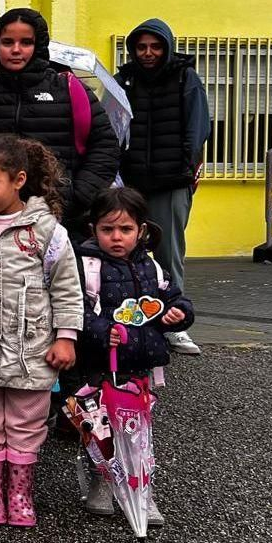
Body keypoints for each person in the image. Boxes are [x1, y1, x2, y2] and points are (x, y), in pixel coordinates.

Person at [0, 135, 83, 527]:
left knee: (26, 422)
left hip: (32, 350)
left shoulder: (46, 231)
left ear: (19, 179)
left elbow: (66, 287)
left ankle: (20, 492)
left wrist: (65, 336)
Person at [74, 187, 194, 525]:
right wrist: (100, 331)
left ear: (140, 230)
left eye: (125, 230)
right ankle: (102, 479)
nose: (116, 237)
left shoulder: (151, 267)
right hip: (100, 366)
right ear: (92, 229)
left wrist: (179, 315)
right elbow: (76, 310)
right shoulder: (88, 267)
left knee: (139, 430)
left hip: (141, 367)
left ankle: (142, 489)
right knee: (100, 427)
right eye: (107, 229)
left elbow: (174, 300)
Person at [0, 8, 120, 236]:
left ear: (39, 45)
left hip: (62, 219)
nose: (16, 50)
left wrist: (78, 195)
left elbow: (105, 146)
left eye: (26, 42)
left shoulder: (68, 88)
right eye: (7, 42)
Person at [113, 18, 211, 356]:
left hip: (171, 182)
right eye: (141, 47)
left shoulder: (186, 78)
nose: (148, 53)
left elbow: (198, 129)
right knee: (125, 251)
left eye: (155, 46)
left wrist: (186, 166)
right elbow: (112, 126)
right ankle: (131, 320)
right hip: (132, 183)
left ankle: (176, 324)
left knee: (168, 253)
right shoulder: (122, 80)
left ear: (167, 47)